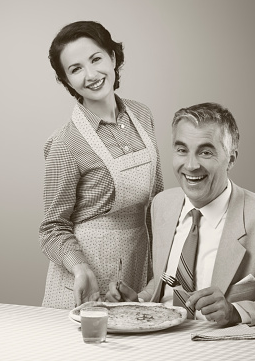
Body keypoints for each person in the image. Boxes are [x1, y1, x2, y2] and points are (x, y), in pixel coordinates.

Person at [106, 102, 255, 329]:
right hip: (160, 345)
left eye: (205, 152)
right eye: (182, 150)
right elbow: (165, 283)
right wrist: (138, 303)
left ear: (231, 159)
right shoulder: (161, 205)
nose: (191, 165)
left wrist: (235, 312)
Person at [39, 21, 164, 309]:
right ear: (67, 81)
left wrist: (160, 271)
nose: (91, 74)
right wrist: (80, 268)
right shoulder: (65, 143)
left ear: (114, 57)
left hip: (135, 275)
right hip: (82, 282)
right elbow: (51, 229)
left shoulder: (142, 115)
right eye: (76, 69)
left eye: (96, 59)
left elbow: (156, 201)